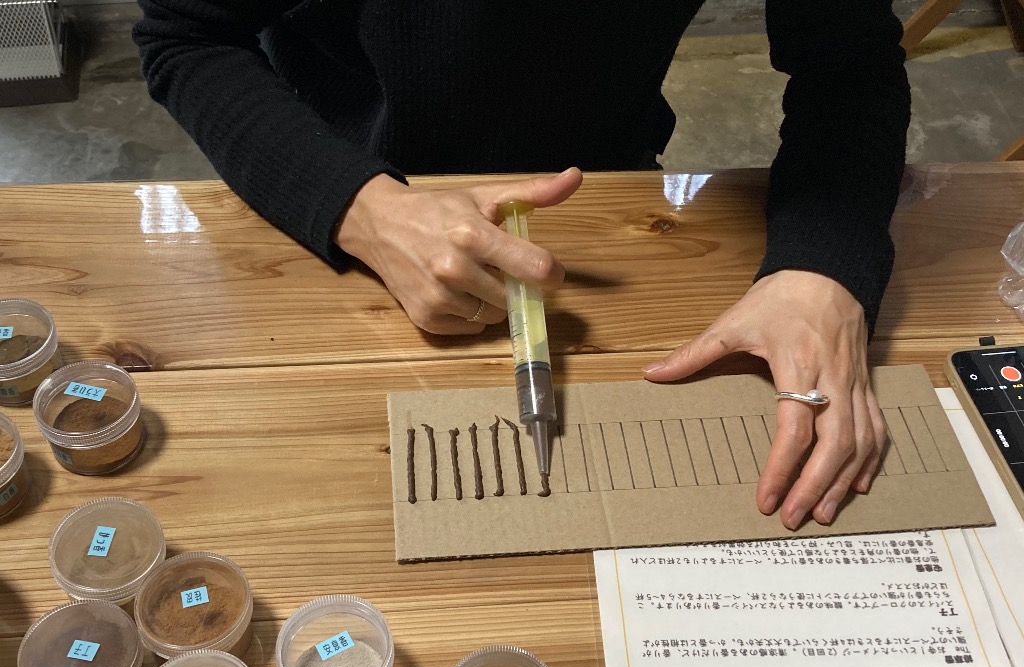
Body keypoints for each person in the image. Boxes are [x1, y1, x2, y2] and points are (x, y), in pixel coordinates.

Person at [133, 1, 911, 530]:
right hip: (343, 200)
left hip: (605, 203)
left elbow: (850, 64)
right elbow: (185, 37)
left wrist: (823, 266)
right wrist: (359, 206)